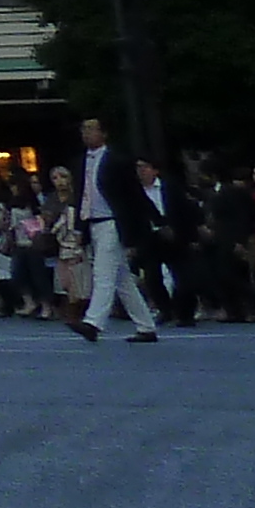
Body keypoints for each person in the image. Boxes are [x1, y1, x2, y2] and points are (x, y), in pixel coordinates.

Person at [74, 120, 164, 343]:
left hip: (113, 222)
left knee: (103, 274)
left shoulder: (117, 160)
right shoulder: (81, 162)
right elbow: (81, 196)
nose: (86, 133)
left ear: (104, 133)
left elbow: (133, 193)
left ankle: (93, 322)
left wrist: (157, 219)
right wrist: (79, 227)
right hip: (93, 221)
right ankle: (146, 326)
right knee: (122, 279)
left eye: (91, 129)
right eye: (84, 129)